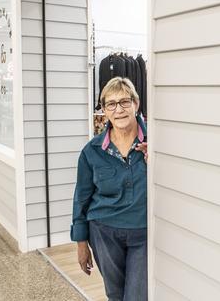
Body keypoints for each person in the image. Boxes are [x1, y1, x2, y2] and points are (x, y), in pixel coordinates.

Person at [71, 77, 148, 300]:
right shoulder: (92, 150)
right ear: (104, 110)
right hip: (104, 233)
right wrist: (81, 242)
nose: (119, 110)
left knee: (137, 296)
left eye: (124, 102)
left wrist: (158, 160)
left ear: (136, 103)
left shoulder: (156, 144)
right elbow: (81, 199)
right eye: (111, 104)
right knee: (115, 295)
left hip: (143, 233)